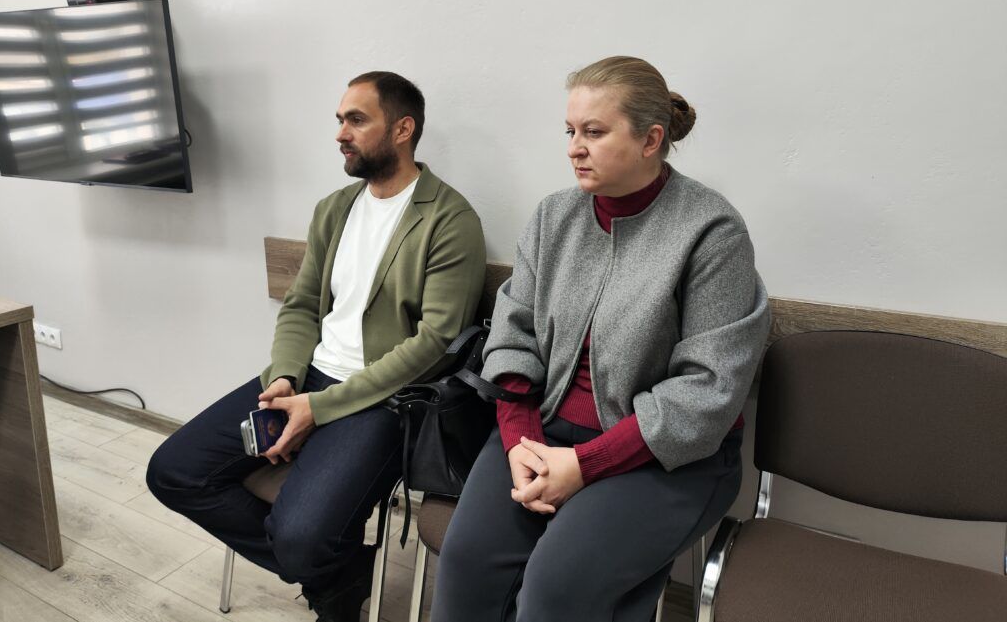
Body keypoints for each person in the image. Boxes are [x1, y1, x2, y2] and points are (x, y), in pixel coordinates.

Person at [431, 56, 771, 622]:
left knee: (557, 589)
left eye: (593, 132)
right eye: (570, 131)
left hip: (665, 454)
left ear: (650, 140)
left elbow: (706, 391)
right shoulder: (553, 217)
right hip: (542, 430)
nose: (574, 148)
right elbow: (513, 333)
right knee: (466, 566)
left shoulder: (712, 232)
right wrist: (521, 443)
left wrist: (585, 465)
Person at [146, 71, 486, 622]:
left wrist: (318, 408)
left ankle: (317, 561)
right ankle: (340, 572)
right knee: (172, 471)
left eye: (356, 120)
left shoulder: (450, 218)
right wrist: (285, 378)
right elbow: (302, 305)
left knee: (301, 538)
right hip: (306, 378)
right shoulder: (335, 208)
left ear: (403, 129)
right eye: (340, 120)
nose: (340, 133)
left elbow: (435, 342)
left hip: (383, 399)